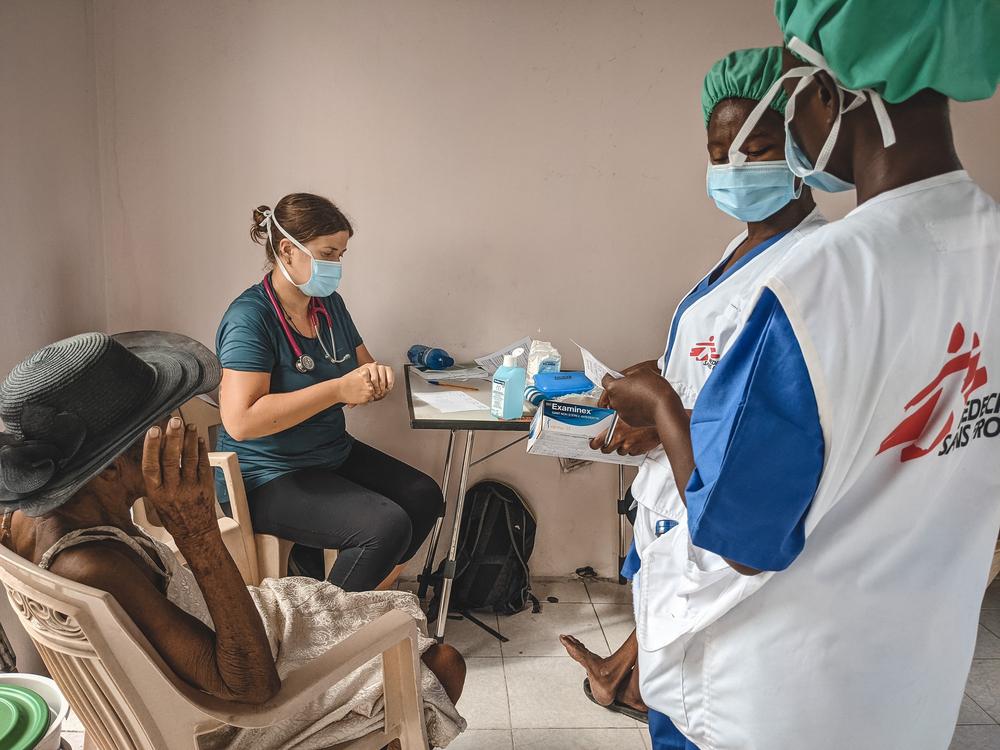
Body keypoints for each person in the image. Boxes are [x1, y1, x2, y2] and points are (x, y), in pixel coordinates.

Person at [601, 1, 1000, 747]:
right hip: (910, 691)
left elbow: (737, 533)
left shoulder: (820, 282)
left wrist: (658, 402)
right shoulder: (987, 249)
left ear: (827, 93)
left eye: (786, 102)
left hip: (770, 697)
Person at [0, 331, 467, 748]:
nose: (175, 429)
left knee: (366, 606)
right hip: (227, 709)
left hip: (215, 640)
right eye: (157, 422)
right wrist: (197, 530)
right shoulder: (95, 565)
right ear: (108, 465)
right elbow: (251, 687)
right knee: (441, 663)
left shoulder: (25, 518)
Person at [557, 46, 827, 741]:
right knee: (671, 692)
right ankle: (626, 678)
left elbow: (764, 425)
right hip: (671, 512)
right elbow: (710, 372)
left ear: (802, 144)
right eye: (719, 151)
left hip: (717, 532)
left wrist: (663, 413)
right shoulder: (741, 248)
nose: (736, 169)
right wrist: (648, 394)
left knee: (695, 711)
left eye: (759, 148)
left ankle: (633, 682)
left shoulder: (808, 272)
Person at [216, 193, 443, 592]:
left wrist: (374, 380)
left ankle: (368, 603)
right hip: (267, 473)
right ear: (287, 250)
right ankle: (322, 631)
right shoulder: (249, 319)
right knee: (385, 526)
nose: (335, 265)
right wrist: (338, 388)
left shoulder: (329, 305)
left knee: (424, 497)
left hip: (328, 452)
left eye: (340, 254)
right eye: (327, 253)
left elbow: (362, 367)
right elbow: (241, 421)